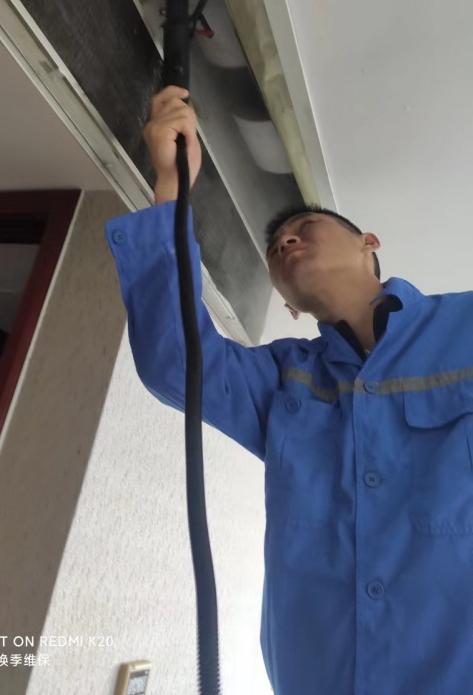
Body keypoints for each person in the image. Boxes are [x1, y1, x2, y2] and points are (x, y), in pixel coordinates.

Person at [105, 86, 473, 695]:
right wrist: (172, 186)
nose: (285, 243)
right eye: (275, 250)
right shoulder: (286, 378)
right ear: (289, 308)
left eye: (304, 228)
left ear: (369, 244)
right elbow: (178, 362)